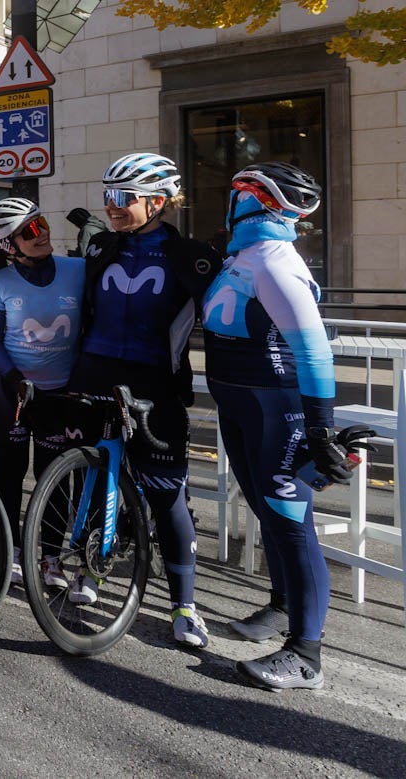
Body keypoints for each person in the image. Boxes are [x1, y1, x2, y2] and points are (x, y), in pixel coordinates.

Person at [203, 163, 351, 689]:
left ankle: (306, 655)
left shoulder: (276, 262)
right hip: (239, 404)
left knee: (291, 522)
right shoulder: (242, 257)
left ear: (259, 205)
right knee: (266, 512)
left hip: (277, 409)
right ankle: (283, 607)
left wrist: (320, 429)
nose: (232, 203)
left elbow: (315, 352)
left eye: (238, 195)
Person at [73, 151, 219, 648]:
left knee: (165, 495)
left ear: (157, 202)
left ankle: (184, 605)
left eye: (122, 198)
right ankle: (93, 570)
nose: (111, 206)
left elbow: (224, 320)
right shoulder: (99, 246)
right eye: (107, 196)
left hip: (156, 385)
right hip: (95, 375)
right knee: (95, 481)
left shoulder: (191, 257)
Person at [0, 197, 85, 587]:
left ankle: (51, 557)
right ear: (9, 245)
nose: (42, 235)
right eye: (31, 231)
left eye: (42, 224)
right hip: (13, 393)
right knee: (9, 471)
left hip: (60, 392)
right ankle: (14, 552)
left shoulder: (77, 270)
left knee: (53, 475)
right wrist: (11, 379)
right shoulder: (0, 283)